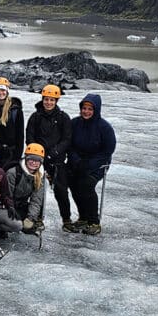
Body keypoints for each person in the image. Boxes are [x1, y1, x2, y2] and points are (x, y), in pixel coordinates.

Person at [66, 94, 116, 235]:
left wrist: (89, 164)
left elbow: (108, 150)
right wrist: (75, 159)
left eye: (90, 109)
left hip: (97, 165)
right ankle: (83, 217)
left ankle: (94, 221)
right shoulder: (74, 123)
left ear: (96, 110)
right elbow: (69, 144)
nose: (86, 111)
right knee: (72, 182)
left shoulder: (104, 127)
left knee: (86, 185)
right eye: (84, 108)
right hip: (77, 162)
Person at [25, 84, 73, 231]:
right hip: (37, 160)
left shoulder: (63, 117)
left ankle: (66, 219)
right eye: (46, 99)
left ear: (56, 100)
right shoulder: (35, 117)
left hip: (57, 160)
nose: (49, 102)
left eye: (52, 100)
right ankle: (37, 218)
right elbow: (30, 137)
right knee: (37, 190)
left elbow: (67, 139)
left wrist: (54, 153)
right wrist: (37, 154)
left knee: (61, 191)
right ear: (43, 99)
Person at [6, 144, 46, 235]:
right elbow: (6, 196)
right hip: (8, 206)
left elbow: (36, 200)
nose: (34, 163)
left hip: (21, 205)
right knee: (15, 224)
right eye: (31, 159)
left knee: (31, 227)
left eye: (37, 160)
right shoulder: (13, 173)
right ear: (26, 159)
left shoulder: (40, 176)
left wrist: (30, 218)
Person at [0, 77, 24, 170]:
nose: (0, 93)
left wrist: (17, 157)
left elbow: (20, 136)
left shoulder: (16, 111)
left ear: (7, 91)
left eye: (3, 90)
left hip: (11, 154)